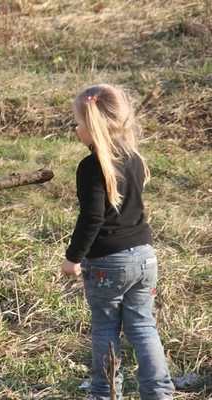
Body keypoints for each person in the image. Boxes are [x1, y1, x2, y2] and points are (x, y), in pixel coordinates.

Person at [60, 84, 174, 399]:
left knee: (106, 330)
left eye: (79, 122)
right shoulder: (134, 158)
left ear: (94, 125)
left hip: (107, 264)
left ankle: (106, 392)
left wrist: (73, 257)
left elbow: (92, 218)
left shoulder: (91, 166)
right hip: (145, 257)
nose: (76, 128)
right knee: (142, 326)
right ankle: (159, 392)